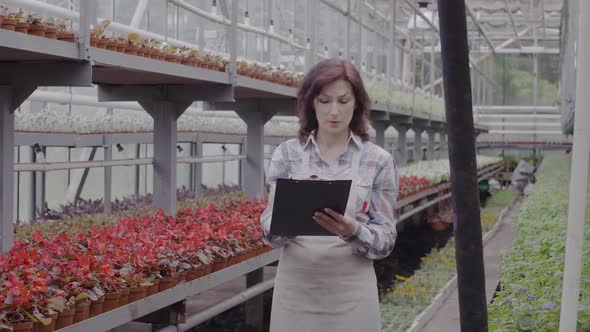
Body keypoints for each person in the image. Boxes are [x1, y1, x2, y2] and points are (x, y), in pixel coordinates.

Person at [260, 58, 398, 332]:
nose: (334, 111)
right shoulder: (287, 155)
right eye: (324, 101)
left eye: (344, 101)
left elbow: (386, 240)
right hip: (295, 294)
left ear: (357, 103)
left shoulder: (378, 160)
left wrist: (353, 230)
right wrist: (285, 224)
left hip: (352, 296)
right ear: (311, 102)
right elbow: (268, 233)